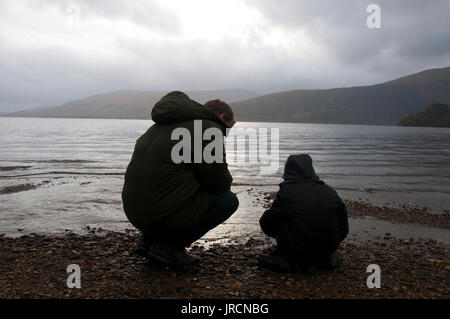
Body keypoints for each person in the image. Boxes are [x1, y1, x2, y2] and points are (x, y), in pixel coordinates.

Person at [122, 91, 238, 268]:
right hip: (160, 215)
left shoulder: (156, 128)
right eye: (229, 127)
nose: (226, 133)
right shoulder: (207, 128)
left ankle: (150, 240)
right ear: (222, 117)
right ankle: (170, 247)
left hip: (134, 214)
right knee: (227, 200)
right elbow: (218, 182)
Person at [258, 154, 349, 272]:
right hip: (328, 249)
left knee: (271, 217)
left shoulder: (288, 193)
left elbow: (268, 223)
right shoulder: (329, 191)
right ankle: (323, 258)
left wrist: (277, 233)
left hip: (297, 251)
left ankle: (289, 259)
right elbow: (344, 226)